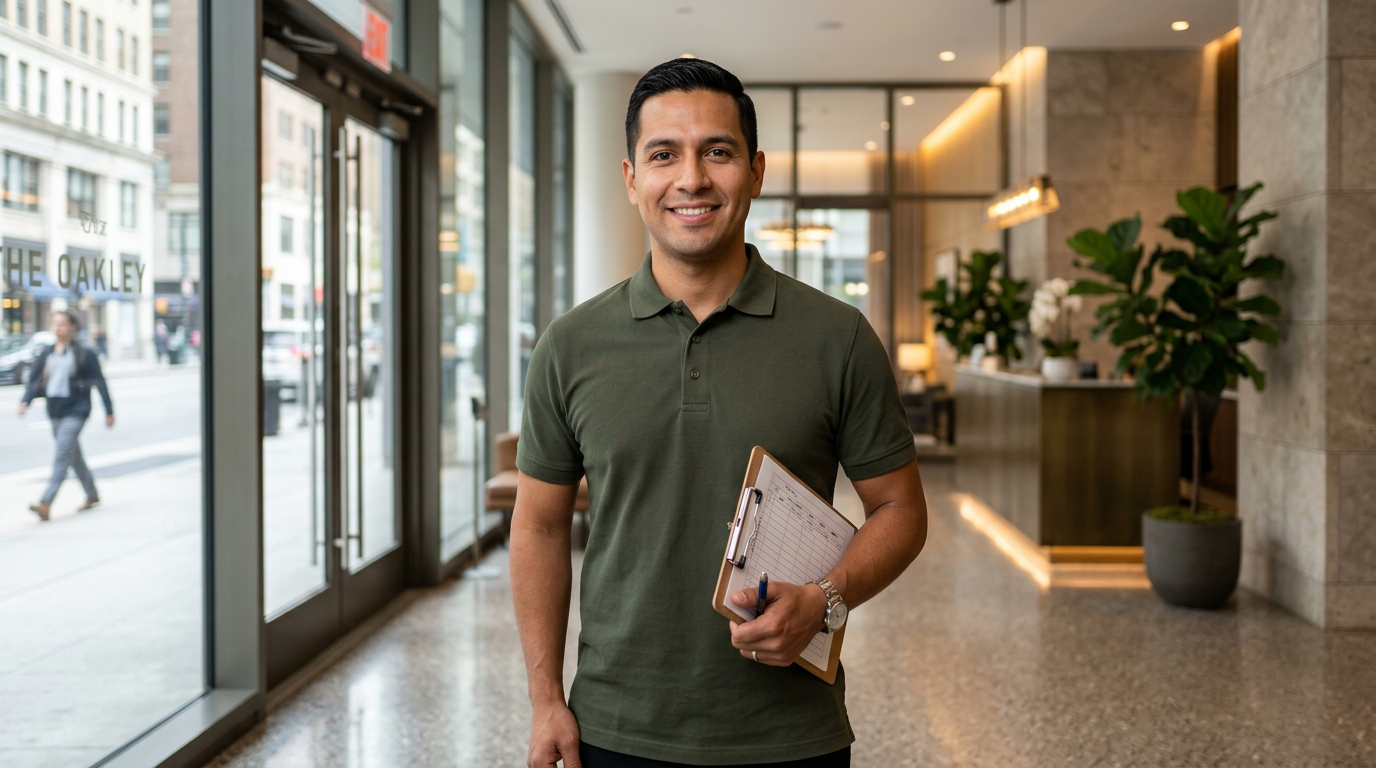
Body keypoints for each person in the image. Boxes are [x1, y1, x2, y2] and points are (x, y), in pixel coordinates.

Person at [510, 58, 929, 768]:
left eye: (718, 152)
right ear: (631, 179)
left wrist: (827, 597)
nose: (692, 179)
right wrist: (547, 701)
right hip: (614, 726)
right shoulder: (571, 345)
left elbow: (902, 510)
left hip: (790, 733)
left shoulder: (837, 337)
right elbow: (542, 525)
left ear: (755, 172)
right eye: (663, 154)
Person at [17, 311, 115, 521]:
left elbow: (99, 381)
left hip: (77, 409)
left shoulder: (84, 353)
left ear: (73, 327)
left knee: (62, 453)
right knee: (73, 455)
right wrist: (26, 401)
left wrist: (109, 410)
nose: (58, 328)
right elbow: (34, 380)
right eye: (55, 324)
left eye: (62, 324)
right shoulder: (47, 352)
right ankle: (92, 494)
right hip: (54, 409)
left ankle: (46, 502)